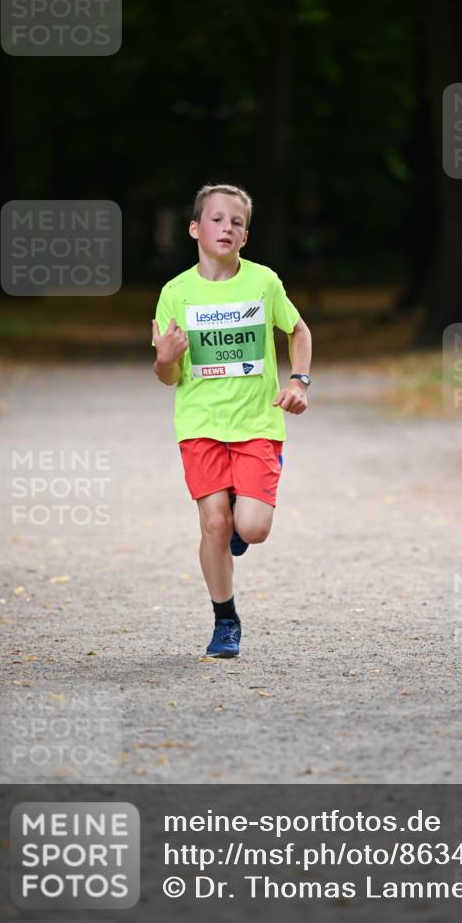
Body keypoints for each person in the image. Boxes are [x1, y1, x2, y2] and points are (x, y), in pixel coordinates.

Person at [151, 184, 312, 658]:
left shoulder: (263, 282)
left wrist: (299, 381)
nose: (226, 228)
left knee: (253, 527)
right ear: (195, 229)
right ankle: (225, 621)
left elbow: (298, 331)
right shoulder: (175, 293)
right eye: (216, 219)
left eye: (236, 222)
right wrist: (165, 358)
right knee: (214, 523)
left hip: (257, 423)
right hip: (199, 424)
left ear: (245, 236)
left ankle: (243, 516)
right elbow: (168, 376)